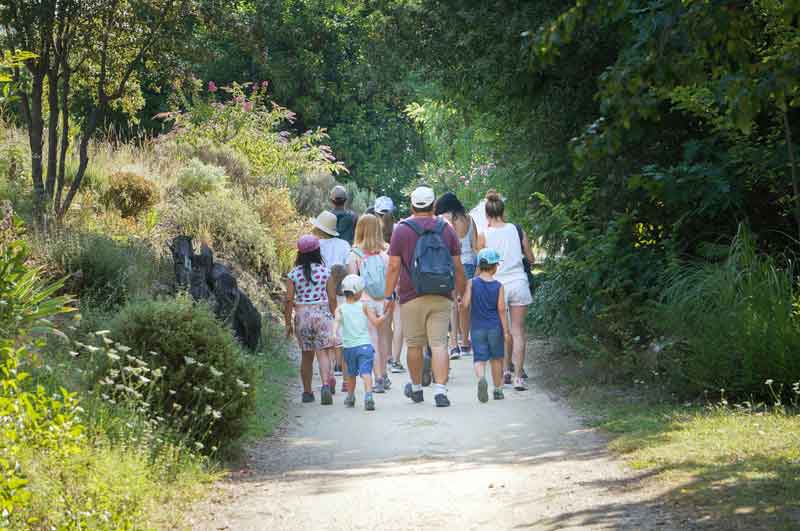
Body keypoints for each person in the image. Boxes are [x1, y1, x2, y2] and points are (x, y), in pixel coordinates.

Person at [384, 186, 466, 407]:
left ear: (412, 205)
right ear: (433, 206)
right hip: (441, 293)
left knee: (414, 345)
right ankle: (440, 391)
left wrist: (387, 295)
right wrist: (461, 292)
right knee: (439, 344)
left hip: (411, 295)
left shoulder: (401, 230)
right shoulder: (446, 229)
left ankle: (417, 388)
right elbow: (458, 266)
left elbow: (393, 267)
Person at [476, 191, 534, 391]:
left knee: (502, 330)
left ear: (487, 213)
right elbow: (531, 258)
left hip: (496, 286)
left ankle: (506, 371)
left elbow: (480, 265)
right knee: (518, 331)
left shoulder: (484, 235)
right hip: (518, 282)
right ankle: (519, 376)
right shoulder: (517, 230)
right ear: (503, 210)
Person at [284, 235, 338, 405]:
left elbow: (288, 299)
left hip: (302, 316)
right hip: (322, 314)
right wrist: (334, 316)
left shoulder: (293, 274)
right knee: (323, 353)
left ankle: (307, 392)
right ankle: (325, 386)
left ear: (299, 253)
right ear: (317, 251)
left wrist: (287, 323)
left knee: (306, 356)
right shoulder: (325, 272)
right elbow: (332, 298)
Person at [347, 213, 393, 393]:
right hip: (385, 300)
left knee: (372, 339)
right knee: (383, 338)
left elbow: (353, 281)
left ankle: (378, 378)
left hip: (365, 301)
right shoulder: (386, 250)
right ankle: (385, 374)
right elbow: (392, 275)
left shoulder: (355, 253)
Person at [460, 248, 510, 402]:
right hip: (495, 327)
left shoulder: (472, 283)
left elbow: (465, 304)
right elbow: (501, 309)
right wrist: (506, 331)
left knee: (479, 359)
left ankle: (481, 378)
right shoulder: (499, 286)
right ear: (494, 266)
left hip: (477, 328)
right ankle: (497, 390)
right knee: (496, 359)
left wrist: (461, 300)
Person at [434, 191, 480, 360]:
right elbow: (476, 245)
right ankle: (466, 342)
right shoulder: (469, 219)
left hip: (452, 262)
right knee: (465, 304)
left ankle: (454, 344)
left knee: (453, 303)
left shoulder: (446, 220)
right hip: (469, 263)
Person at [335, 275, 389, 411]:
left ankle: (351, 396)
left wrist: (333, 333)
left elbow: (336, 322)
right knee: (366, 373)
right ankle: (369, 396)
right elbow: (376, 323)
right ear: (358, 292)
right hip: (365, 346)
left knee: (351, 374)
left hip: (349, 348)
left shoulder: (340, 308)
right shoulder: (364, 306)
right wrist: (386, 315)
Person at [311, 210, 351, 387]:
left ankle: (330, 375)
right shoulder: (344, 245)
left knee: (326, 335)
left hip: (321, 294)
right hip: (341, 292)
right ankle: (342, 371)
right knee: (341, 334)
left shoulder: (315, 245)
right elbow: (349, 269)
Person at [374, 196, 405, 374]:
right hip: (399, 279)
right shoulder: (400, 231)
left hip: (382, 283)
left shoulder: (374, 235)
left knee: (385, 323)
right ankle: (396, 359)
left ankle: (386, 357)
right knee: (399, 321)